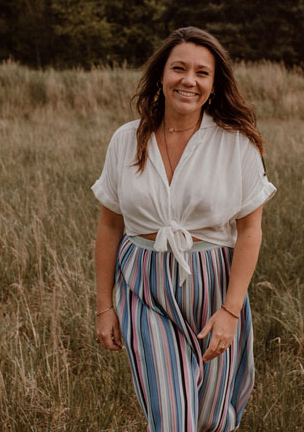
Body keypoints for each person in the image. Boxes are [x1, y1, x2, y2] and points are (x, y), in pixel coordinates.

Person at [92, 26, 276, 432]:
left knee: (211, 418)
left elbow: (250, 231)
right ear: (161, 74)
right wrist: (105, 307)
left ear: (214, 84)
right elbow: (109, 227)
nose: (188, 80)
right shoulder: (126, 139)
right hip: (145, 286)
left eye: (202, 73)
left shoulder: (237, 143)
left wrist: (230, 311)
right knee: (173, 419)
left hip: (214, 286)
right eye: (179, 68)